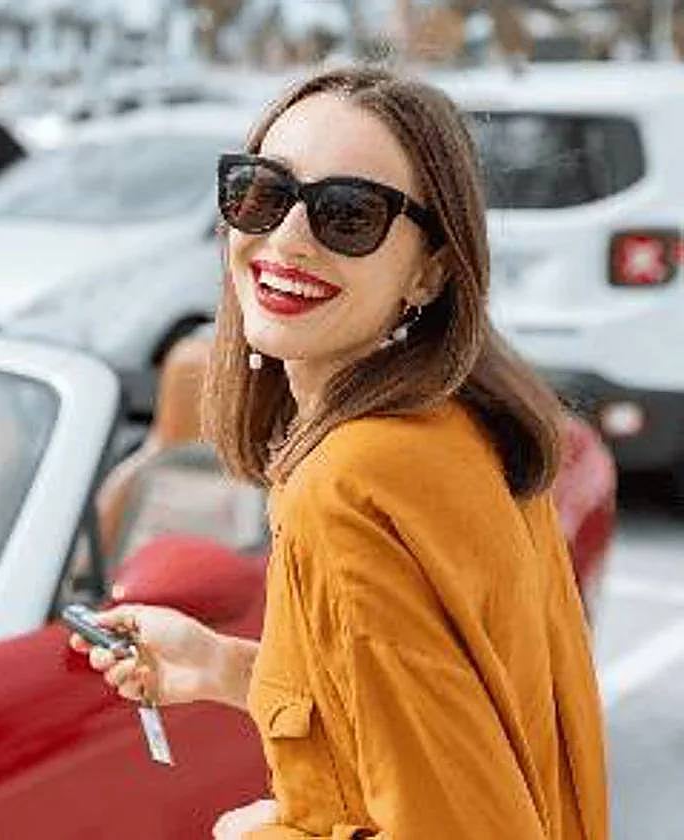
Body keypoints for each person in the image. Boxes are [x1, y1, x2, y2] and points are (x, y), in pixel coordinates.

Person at [69, 66, 608, 840]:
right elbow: (445, 731)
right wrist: (222, 666)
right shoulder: (456, 430)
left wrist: (257, 835)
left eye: (349, 215)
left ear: (430, 271)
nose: (287, 237)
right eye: (261, 192)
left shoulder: (351, 484)